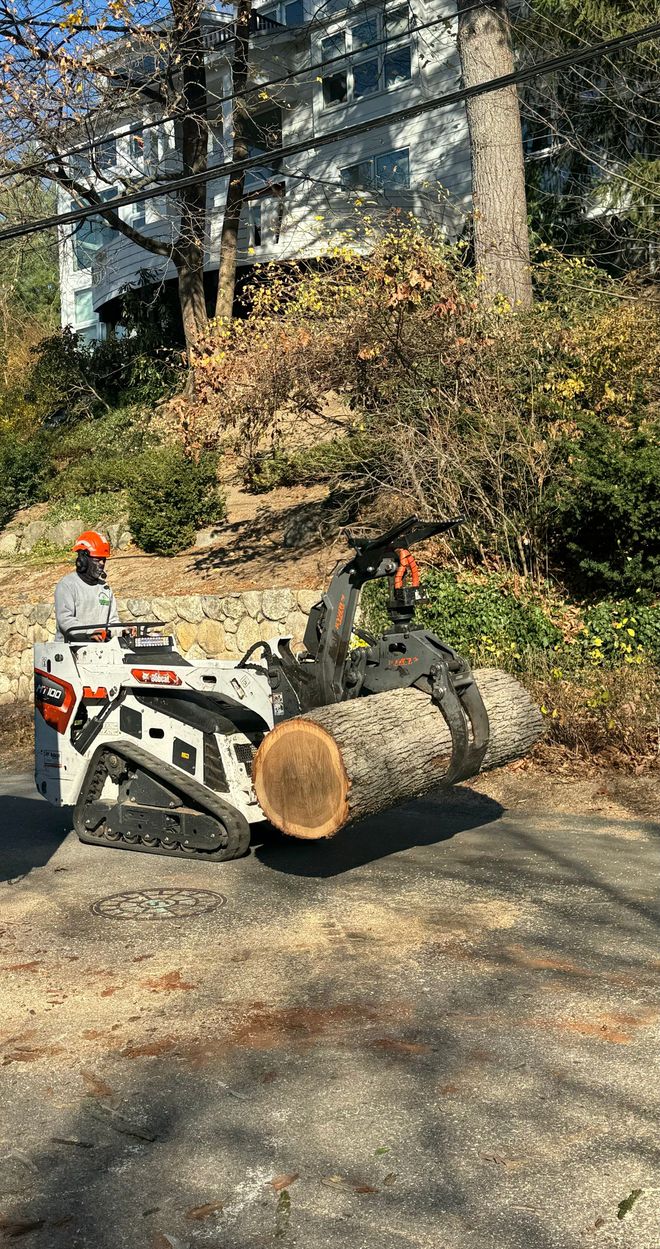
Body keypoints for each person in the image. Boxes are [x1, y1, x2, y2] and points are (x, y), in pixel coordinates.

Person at [54, 531, 120, 641]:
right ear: (82, 561)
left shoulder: (105, 588)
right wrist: (88, 633)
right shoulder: (67, 585)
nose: (102, 564)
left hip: (100, 651)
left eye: (103, 560)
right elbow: (65, 620)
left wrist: (123, 631)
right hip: (70, 651)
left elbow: (112, 622)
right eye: (97, 560)